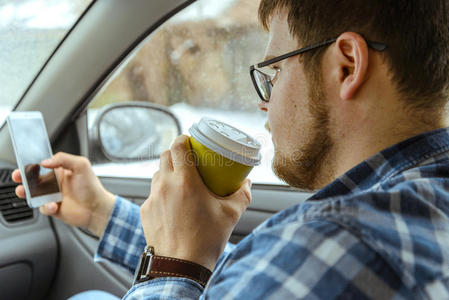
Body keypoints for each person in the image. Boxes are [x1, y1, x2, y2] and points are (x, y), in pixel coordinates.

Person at [13, 0, 449, 298]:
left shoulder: (341, 239)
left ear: (346, 66)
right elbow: (264, 275)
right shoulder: (418, 204)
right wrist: (100, 213)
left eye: (273, 73)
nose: (264, 101)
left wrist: (172, 266)